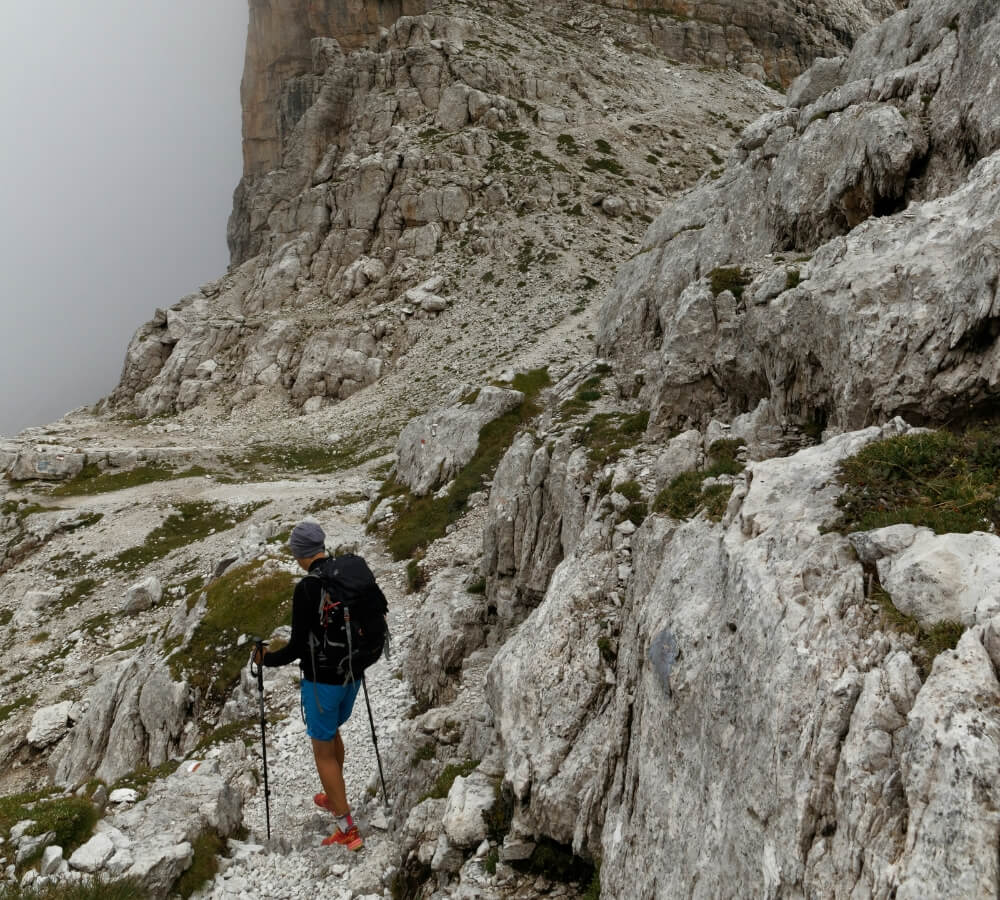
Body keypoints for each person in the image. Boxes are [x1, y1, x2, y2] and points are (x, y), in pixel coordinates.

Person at [253, 520, 364, 851]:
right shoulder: (347, 572)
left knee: (322, 750)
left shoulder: (307, 589)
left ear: (300, 553)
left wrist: (265, 659)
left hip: (322, 681)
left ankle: (347, 827)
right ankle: (334, 796)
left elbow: (297, 648)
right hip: (353, 675)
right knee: (332, 734)